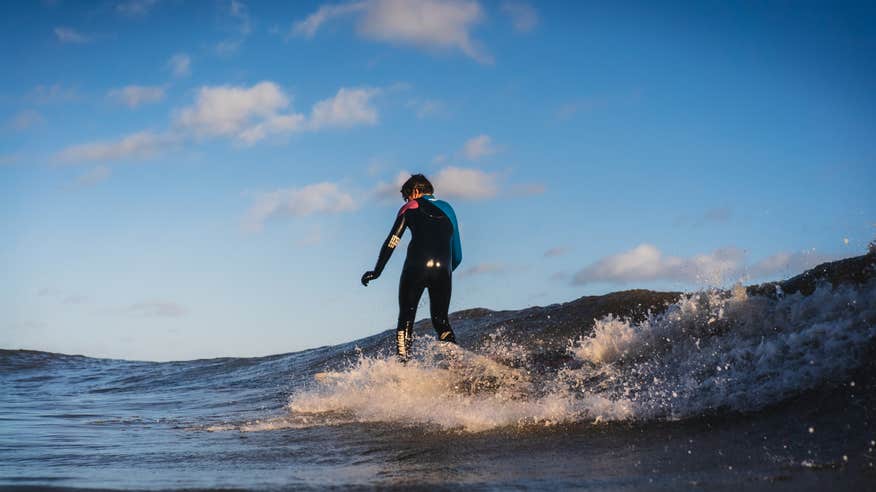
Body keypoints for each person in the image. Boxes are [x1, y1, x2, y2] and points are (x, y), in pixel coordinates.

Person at [361, 174, 462, 361]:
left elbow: (392, 241)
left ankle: (403, 366)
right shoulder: (448, 208)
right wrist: (444, 273)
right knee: (441, 321)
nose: (406, 200)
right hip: (443, 269)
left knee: (406, 319)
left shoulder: (410, 206)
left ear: (415, 192)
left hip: (416, 266)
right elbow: (458, 255)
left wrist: (377, 271)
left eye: (407, 196)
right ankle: (458, 364)